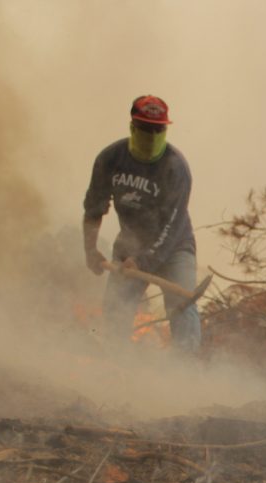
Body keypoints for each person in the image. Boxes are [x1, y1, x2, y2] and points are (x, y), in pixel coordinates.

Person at [82, 95, 201, 352]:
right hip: (130, 245)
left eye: (159, 129)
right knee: (116, 308)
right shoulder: (110, 159)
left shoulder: (176, 169)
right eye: (146, 128)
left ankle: (187, 374)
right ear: (133, 127)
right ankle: (116, 368)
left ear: (166, 130)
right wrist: (90, 250)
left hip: (175, 248)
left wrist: (144, 261)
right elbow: (94, 208)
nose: (152, 134)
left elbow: (171, 227)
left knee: (182, 306)